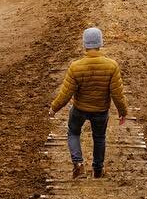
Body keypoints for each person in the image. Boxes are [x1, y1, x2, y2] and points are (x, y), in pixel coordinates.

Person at [49, 27, 128, 179]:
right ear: (100, 44)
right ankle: (98, 170)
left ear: (85, 45)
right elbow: (117, 94)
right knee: (99, 137)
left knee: (73, 132)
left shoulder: (75, 67)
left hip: (79, 109)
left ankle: (78, 164)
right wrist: (122, 111)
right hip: (101, 110)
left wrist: (54, 108)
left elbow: (66, 94)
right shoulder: (112, 66)